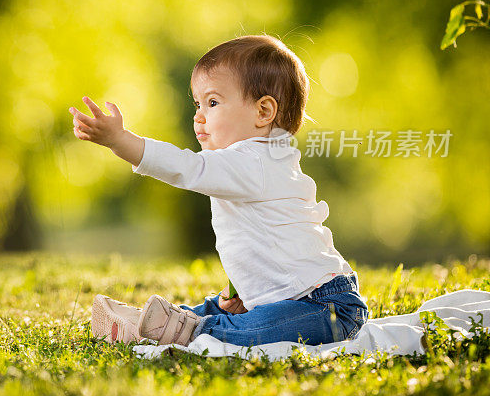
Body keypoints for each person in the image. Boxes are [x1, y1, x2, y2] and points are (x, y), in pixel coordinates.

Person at [69, 35, 370, 348]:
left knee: (258, 326)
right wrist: (244, 291)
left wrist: (121, 141)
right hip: (289, 299)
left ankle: (182, 328)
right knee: (225, 310)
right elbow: (265, 239)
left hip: (327, 309)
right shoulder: (258, 161)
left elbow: (187, 168)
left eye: (212, 103)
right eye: (198, 104)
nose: (199, 115)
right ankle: (162, 322)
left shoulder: (254, 160)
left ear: (263, 112)